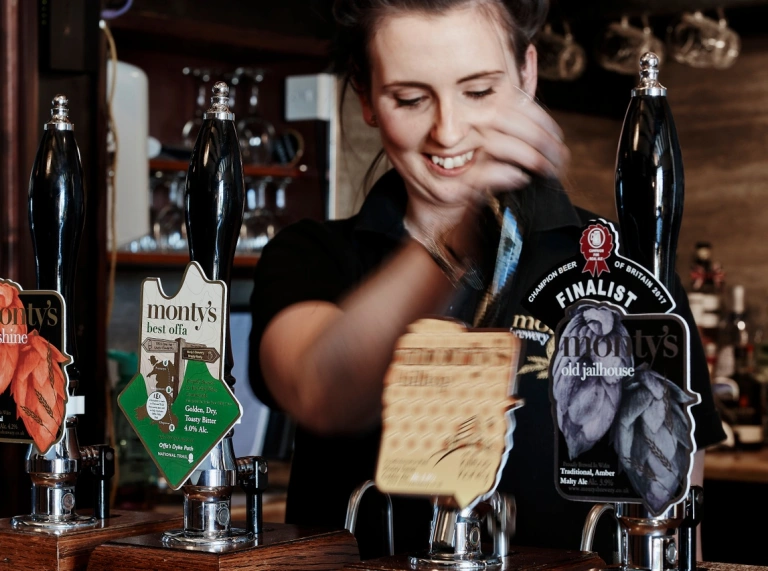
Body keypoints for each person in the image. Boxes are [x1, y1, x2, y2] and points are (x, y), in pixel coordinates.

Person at [248, 0, 726, 561]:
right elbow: (320, 390)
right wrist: (460, 237)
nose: (448, 131)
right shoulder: (314, 256)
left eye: (478, 92)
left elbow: (674, 498)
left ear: (527, 72)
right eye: (409, 98)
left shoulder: (622, 267)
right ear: (365, 96)